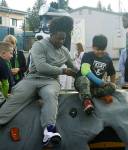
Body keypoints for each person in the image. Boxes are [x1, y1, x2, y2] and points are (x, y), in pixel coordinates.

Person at [0, 16, 76, 146]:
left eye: (64, 38)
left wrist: (87, 77)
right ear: (51, 34)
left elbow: (75, 69)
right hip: (32, 79)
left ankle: (49, 131)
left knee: (51, 95)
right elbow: (41, 67)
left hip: (50, 81)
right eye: (59, 38)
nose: (61, 41)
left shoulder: (65, 51)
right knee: (15, 97)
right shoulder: (39, 45)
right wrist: (63, 71)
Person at [75, 34, 116, 115]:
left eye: (102, 49)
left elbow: (112, 73)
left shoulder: (107, 59)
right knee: (84, 79)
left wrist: (112, 83)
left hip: (95, 87)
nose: (100, 52)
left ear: (106, 48)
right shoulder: (88, 55)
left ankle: (92, 93)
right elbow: (85, 71)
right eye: (98, 49)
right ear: (93, 47)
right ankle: (87, 102)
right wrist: (100, 82)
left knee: (113, 87)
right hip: (82, 82)